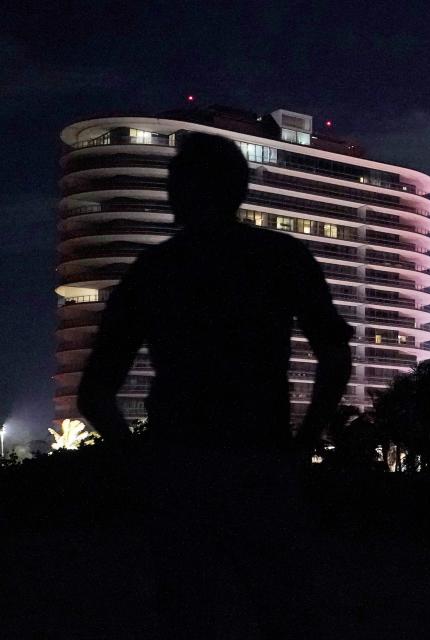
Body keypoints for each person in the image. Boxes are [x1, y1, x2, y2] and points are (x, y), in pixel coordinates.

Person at [77, 132, 352, 637]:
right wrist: (303, 443)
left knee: (191, 610)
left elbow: (95, 392)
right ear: (240, 190)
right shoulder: (281, 256)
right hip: (261, 456)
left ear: (177, 192)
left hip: (178, 462)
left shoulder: (153, 271)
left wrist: (140, 461)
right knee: (284, 606)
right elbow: (334, 354)